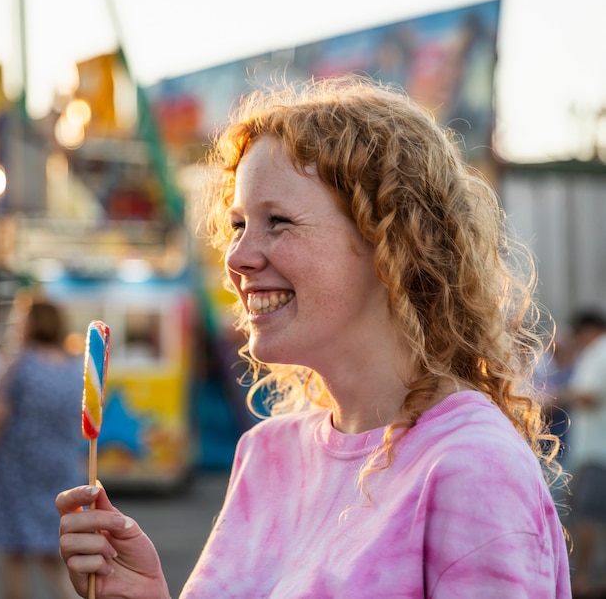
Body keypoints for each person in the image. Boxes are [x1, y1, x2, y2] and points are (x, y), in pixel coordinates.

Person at [56, 76, 572, 598]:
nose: (236, 257)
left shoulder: (471, 468)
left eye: (277, 221)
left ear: (391, 242)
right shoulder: (267, 452)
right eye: (237, 225)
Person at [0, 297, 83, 599]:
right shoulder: (75, 367)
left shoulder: (22, 364)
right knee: (53, 554)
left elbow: (0, 418)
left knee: (15, 553)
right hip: (62, 465)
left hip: (19, 467)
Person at [559, 309, 606, 597]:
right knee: (582, 509)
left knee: (588, 513)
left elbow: (590, 395)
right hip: (590, 450)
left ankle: (585, 579)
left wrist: (557, 394)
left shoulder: (601, 351)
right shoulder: (595, 353)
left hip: (598, 451)